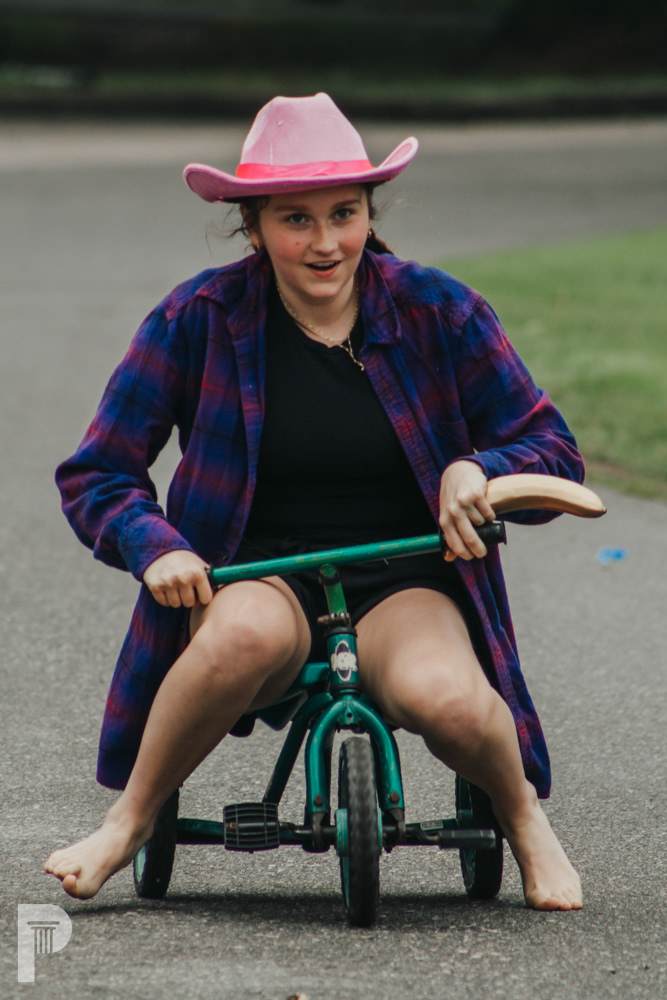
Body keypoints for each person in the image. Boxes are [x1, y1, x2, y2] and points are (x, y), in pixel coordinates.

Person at [45, 93, 584, 910]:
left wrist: (477, 469)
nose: (325, 242)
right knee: (240, 639)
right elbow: (98, 472)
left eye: (344, 214)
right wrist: (158, 547)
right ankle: (127, 821)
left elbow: (553, 450)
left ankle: (525, 821)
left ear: (370, 213)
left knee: (450, 700)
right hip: (257, 574)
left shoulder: (439, 311)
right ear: (253, 226)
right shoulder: (197, 319)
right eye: (295, 219)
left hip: (407, 577)